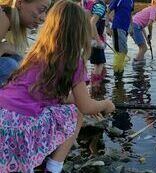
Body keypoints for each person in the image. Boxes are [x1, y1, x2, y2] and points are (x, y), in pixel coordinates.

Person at [0, 1, 115, 172]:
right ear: (80, 33)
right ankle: (54, 166)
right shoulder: (74, 61)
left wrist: (80, 100)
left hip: (2, 117)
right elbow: (85, 106)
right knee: (76, 114)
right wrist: (105, 104)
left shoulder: (35, 53)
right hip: (20, 129)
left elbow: (49, 95)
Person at [0, 0, 51, 85]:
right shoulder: (2, 17)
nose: (43, 18)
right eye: (41, 10)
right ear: (19, 3)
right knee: (10, 65)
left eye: (45, 12)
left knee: (18, 59)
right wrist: (4, 47)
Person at [107, 0, 134, 77]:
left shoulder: (131, 1)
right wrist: (107, 27)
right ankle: (117, 75)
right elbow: (107, 12)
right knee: (121, 51)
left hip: (125, 29)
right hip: (117, 27)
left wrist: (131, 27)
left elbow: (130, 15)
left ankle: (119, 72)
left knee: (122, 51)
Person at [89, 0, 110, 91]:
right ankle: (95, 89)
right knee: (99, 64)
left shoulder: (99, 5)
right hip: (95, 41)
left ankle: (96, 87)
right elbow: (92, 22)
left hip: (94, 39)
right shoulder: (100, 6)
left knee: (99, 64)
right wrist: (98, 41)